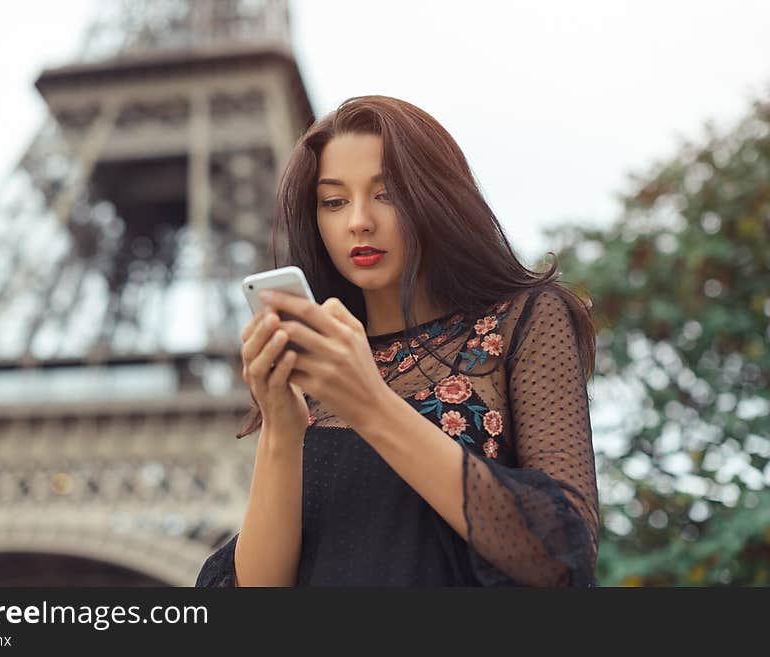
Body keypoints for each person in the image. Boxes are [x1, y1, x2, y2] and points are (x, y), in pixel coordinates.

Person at [195, 95, 600, 587]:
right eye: (334, 201)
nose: (359, 220)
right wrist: (282, 428)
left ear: (437, 197)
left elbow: (559, 558)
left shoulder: (522, 320)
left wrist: (368, 402)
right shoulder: (321, 366)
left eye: (386, 194)